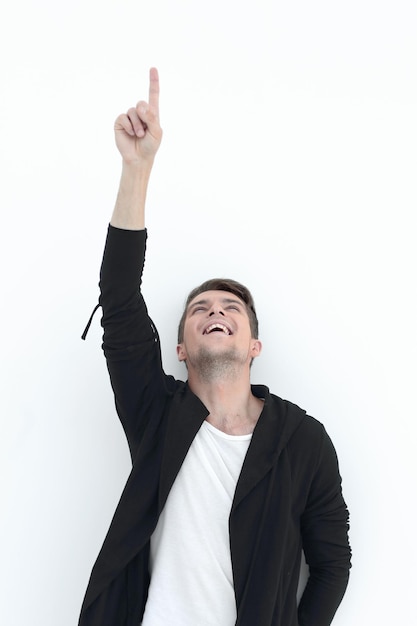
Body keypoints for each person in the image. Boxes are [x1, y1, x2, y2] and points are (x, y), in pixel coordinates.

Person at [79, 68, 351, 626]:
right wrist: (137, 170)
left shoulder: (303, 441)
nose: (215, 313)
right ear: (181, 348)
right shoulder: (158, 414)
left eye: (231, 309)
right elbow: (120, 302)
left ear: (254, 344)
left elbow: (332, 564)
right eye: (200, 310)